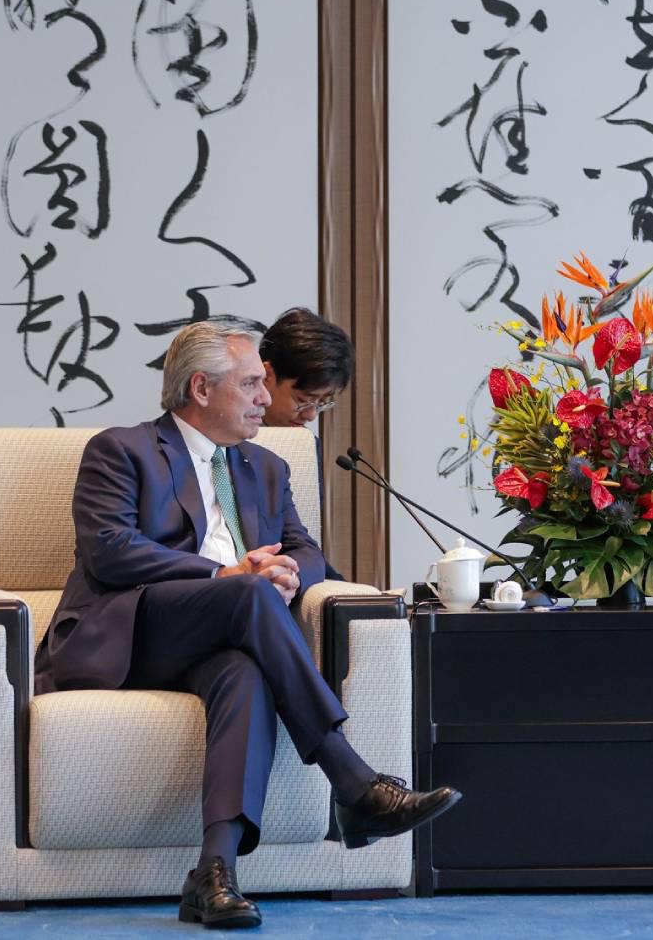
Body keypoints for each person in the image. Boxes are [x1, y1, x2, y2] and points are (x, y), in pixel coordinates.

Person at [34, 321, 460, 929]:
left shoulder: (265, 467)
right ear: (202, 388)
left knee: (245, 673)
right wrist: (223, 572)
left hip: (227, 634)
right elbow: (109, 549)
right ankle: (352, 780)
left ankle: (213, 874)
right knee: (250, 596)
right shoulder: (121, 448)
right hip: (131, 631)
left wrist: (287, 570)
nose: (267, 397)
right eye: (253, 383)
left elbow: (308, 551)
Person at [260, 306, 354, 581]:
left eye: (322, 403)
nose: (311, 414)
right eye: (303, 400)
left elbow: (301, 543)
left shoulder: (301, 448)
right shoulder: (225, 438)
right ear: (267, 374)